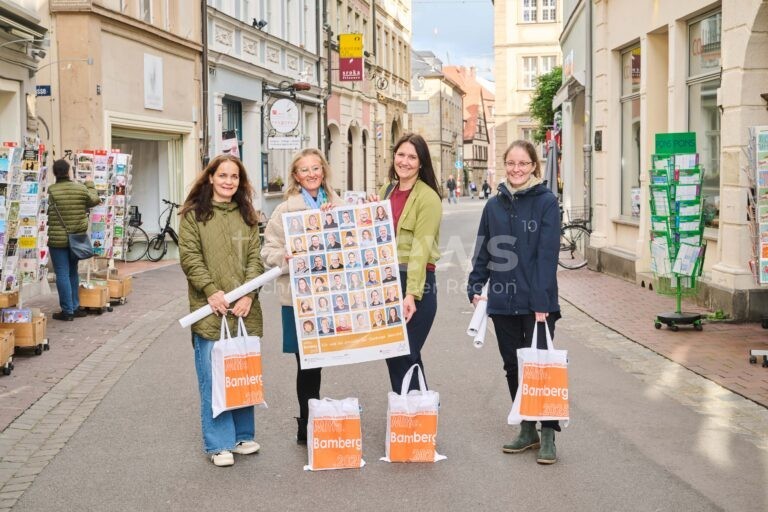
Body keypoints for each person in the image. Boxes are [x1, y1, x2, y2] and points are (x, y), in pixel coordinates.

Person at [467, 139, 562, 465]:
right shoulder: (494, 205)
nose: (517, 169)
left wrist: (540, 302)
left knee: (542, 369)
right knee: (513, 366)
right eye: (511, 163)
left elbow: (547, 256)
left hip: (538, 302)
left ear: (534, 166)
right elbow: (483, 249)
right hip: (503, 302)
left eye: (523, 163)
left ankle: (548, 433)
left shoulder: (547, 202)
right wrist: (475, 286)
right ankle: (527, 429)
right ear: (505, 165)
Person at [178, 154, 263, 467]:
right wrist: (211, 291)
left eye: (235, 177)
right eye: (223, 175)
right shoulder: (193, 215)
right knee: (213, 377)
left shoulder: (247, 215)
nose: (229, 181)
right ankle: (218, 443)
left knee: (241, 371)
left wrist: (249, 294)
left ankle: (242, 436)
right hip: (209, 309)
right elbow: (190, 257)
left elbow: (256, 257)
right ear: (210, 177)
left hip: (243, 308)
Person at [261, 148, 343, 445]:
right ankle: (307, 421)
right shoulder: (285, 211)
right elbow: (266, 251)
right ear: (296, 176)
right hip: (298, 299)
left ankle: (313, 417)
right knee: (306, 362)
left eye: (316, 168)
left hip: (331, 298)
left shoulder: (338, 204)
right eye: (304, 170)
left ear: (323, 171)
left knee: (318, 360)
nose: (311, 174)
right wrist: (283, 257)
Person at [373, 133, 442, 392]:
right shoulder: (386, 191)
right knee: (397, 354)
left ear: (421, 163)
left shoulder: (428, 198)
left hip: (417, 283)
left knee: (405, 353)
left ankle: (412, 417)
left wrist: (411, 294)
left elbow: (420, 251)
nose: (405, 161)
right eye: (401, 155)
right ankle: (415, 416)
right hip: (388, 281)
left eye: (412, 157)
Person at [48, 159, 101, 321]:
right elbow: (94, 200)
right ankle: (75, 307)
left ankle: (67, 311)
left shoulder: (51, 191)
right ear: (69, 171)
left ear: (54, 172)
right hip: (76, 239)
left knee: (62, 273)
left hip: (57, 241)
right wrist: (90, 184)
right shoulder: (80, 189)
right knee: (72, 272)